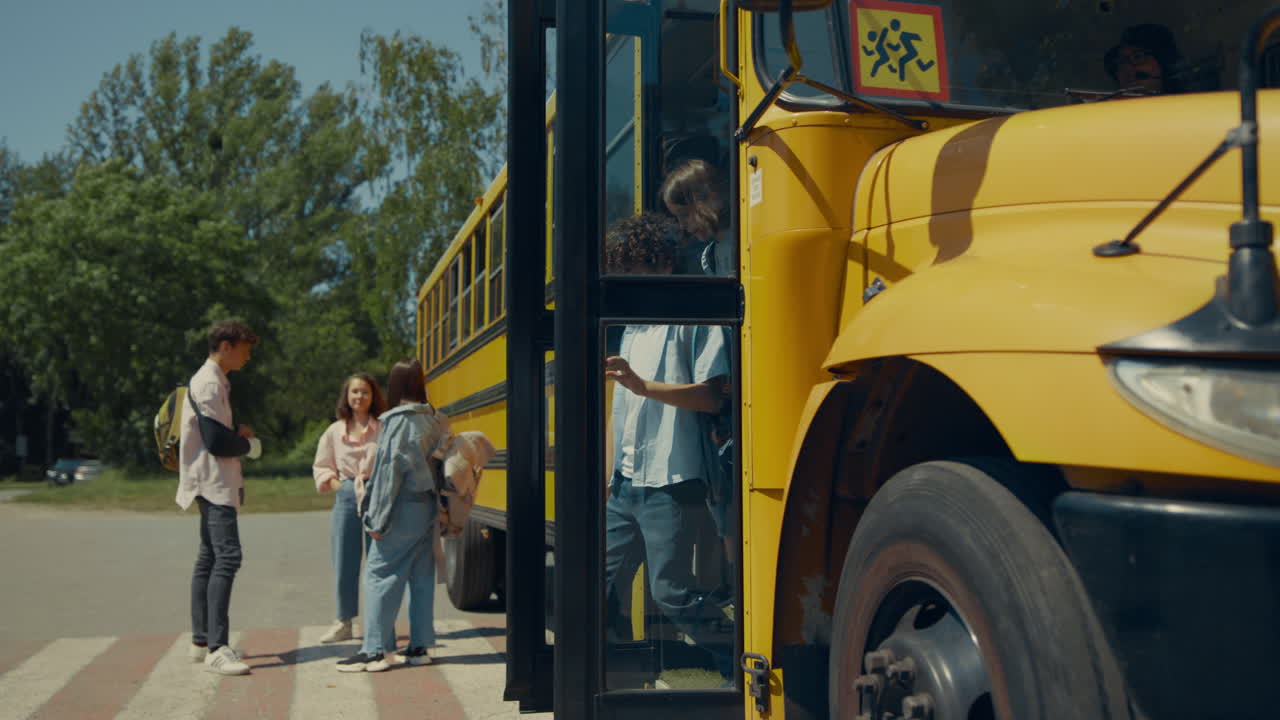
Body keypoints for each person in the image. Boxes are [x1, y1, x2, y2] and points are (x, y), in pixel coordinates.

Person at [601, 213, 733, 678]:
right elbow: (623, 411)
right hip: (625, 483)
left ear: (659, 265)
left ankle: (736, 656)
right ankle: (618, 676)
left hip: (672, 480)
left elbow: (714, 393)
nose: (626, 284)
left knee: (671, 592)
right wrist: (609, 473)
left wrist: (643, 386)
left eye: (631, 272)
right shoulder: (633, 327)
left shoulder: (692, 317)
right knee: (601, 584)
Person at [337, 359, 447, 672]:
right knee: (420, 575)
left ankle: (373, 650)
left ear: (396, 386)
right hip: (427, 506)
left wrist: (376, 519)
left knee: (378, 574)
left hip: (401, 509)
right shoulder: (432, 418)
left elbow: (388, 476)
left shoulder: (398, 422)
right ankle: (419, 646)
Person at [176, 319, 262, 676]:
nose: (248, 356)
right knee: (227, 558)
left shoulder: (213, 381)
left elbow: (214, 433)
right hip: (213, 484)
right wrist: (249, 445)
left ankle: (202, 641)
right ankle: (217, 647)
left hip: (207, 481)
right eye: (244, 349)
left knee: (209, 559)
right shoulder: (209, 383)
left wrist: (233, 433)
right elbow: (216, 442)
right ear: (225, 346)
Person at [312, 373, 388, 644]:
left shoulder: (383, 428)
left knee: (379, 562)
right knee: (345, 560)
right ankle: (343, 621)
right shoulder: (334, 431)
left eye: (365, 392)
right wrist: (337, 486)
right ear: (346, 396)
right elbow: (321, 465)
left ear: (373, 396)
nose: (359, 397)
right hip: (346, 496)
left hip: (378, 496)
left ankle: (380, 623)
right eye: (354, 392)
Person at [660, 158, 732, 277]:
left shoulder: (748, 234)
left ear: (709, 198)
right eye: (677, 218)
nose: (682, 225)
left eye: (684, 214)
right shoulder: (710, 258)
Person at [1104, 23, 1184, 95]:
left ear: (1164, 63)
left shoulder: (1189, 104)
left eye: (1137, 57)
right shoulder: (1108, 108)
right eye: (1121, 61)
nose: (1126, 68)